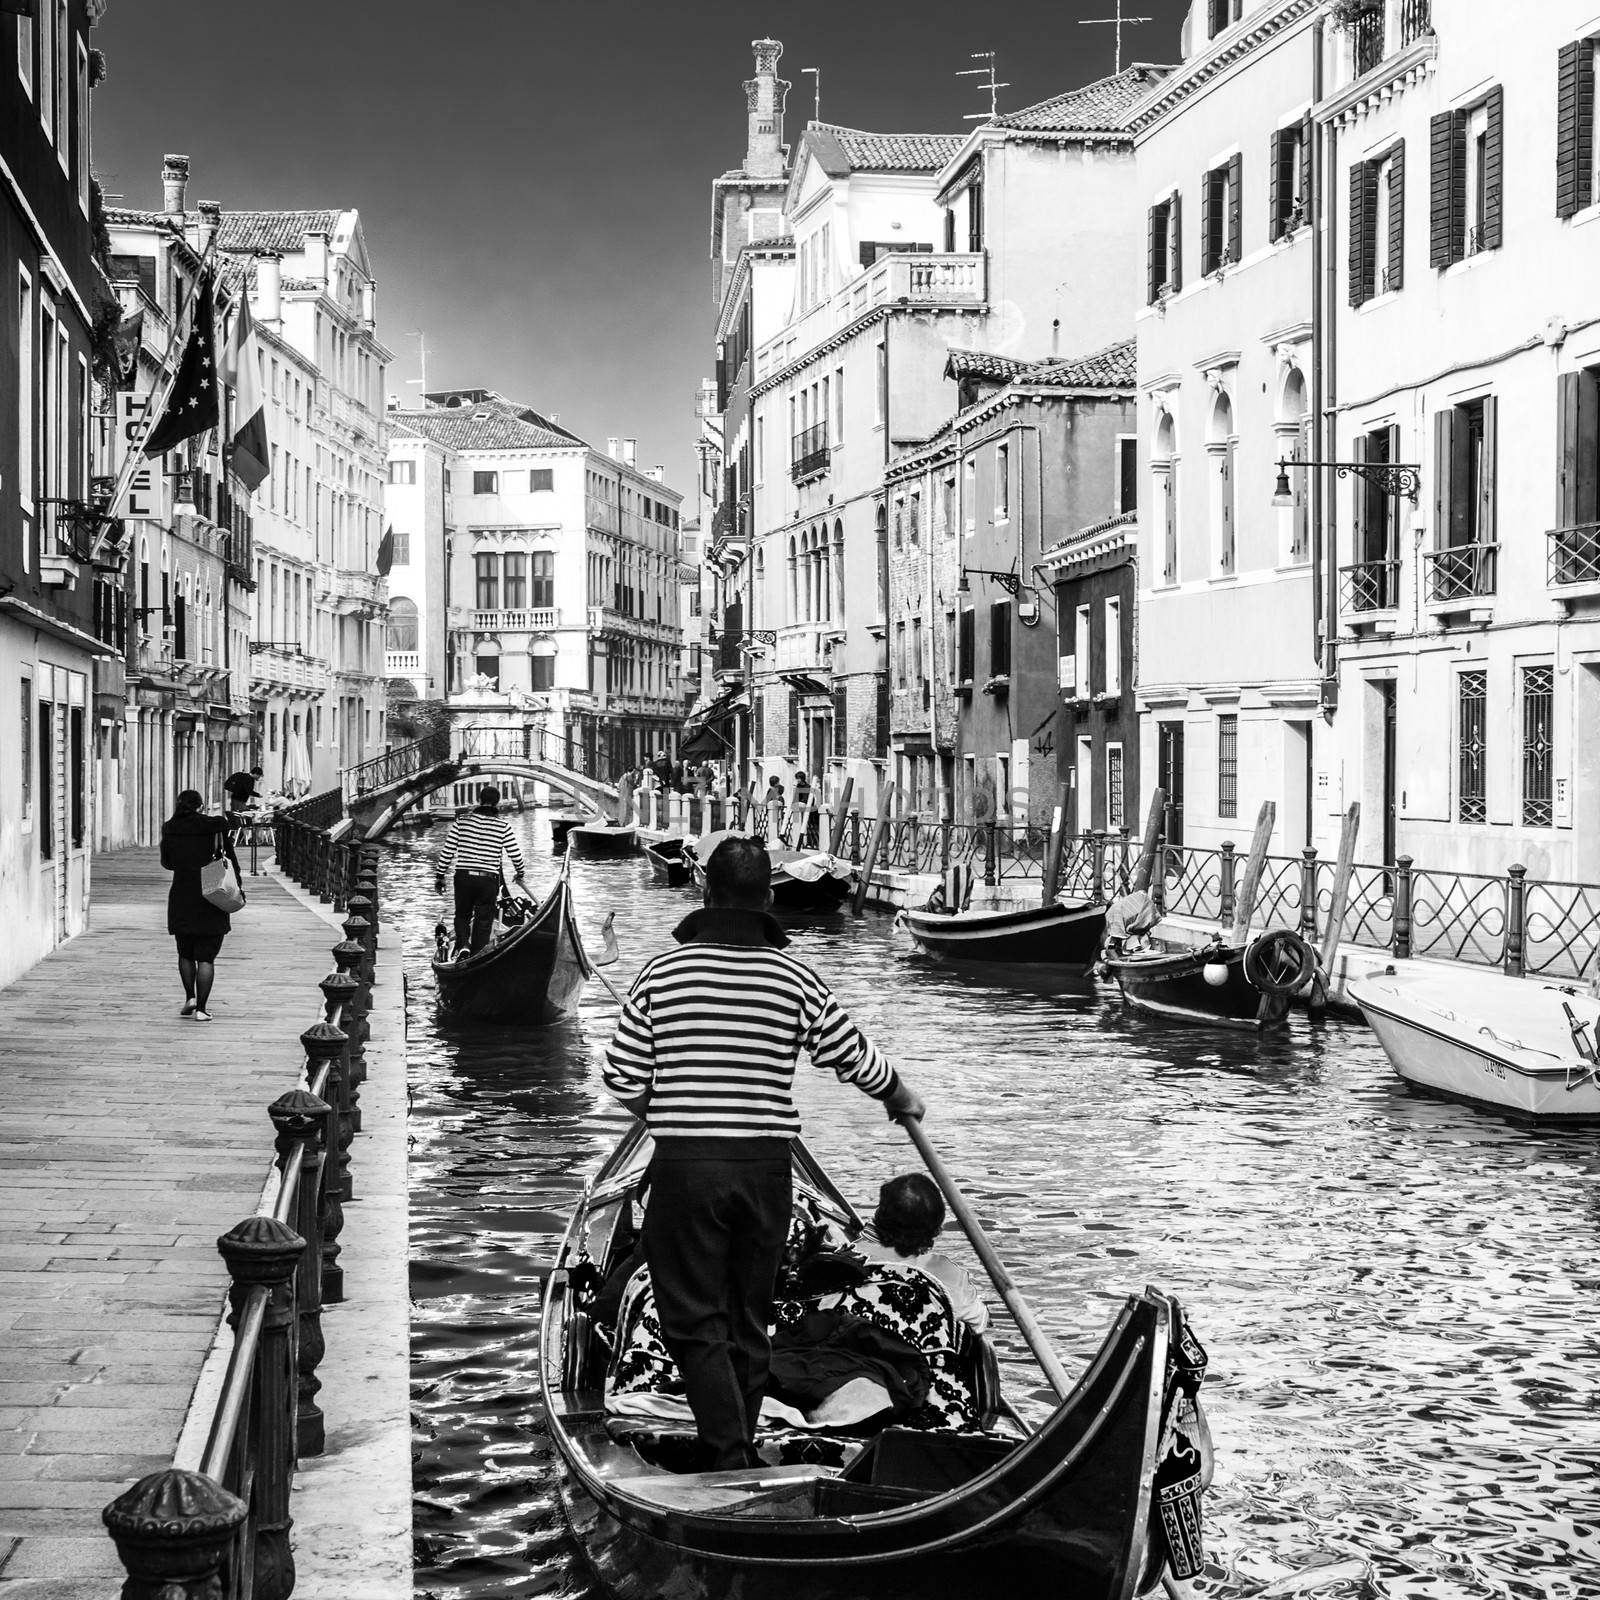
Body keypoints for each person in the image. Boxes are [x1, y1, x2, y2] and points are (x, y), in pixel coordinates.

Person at [602, 834, 925, 1471]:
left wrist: (669, 1115)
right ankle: (739, 1445)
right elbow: (852, 1056)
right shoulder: (795, 978)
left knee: (696, 1319)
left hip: (688, 1169)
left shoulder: (660, 975)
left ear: (707, 895)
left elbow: (621, 1077)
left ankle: (730, 1458)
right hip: (766, 1171)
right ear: (769, 898)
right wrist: (900, 1095)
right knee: (749, 1317)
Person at [853, 1173, 990, 1334]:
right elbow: (978, 1322)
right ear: (935, 1228)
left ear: (879, 1214)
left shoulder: (847, 1258)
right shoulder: (946, 1273)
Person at [160, 790, 244, 1022]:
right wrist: (240, 885)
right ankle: (202, 1010)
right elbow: (230, 859)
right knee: (206, 957)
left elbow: (167, 863)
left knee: (185, 952)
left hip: (182, 891)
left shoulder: (170, 828)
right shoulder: (215, 825)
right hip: (211, 888)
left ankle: (190, 997)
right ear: (201, 806)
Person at [433, 785, 527, 956]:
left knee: (462, 914)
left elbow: (447, 851)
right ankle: (477, 954)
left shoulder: (462, 821)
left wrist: (440, 876)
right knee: (484, 919)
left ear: (480, 800)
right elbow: (516, 855)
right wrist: (520, 873)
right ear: (497, 802)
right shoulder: (503, 826)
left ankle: (463, 946)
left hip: (464, 877)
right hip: (488, 879)